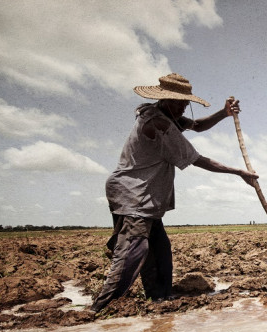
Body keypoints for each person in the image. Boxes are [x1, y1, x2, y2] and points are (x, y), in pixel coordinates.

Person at [91, 73, 258, 313]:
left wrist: (224, 113)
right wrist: (238, 172)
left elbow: (198, 126)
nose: (183, 107)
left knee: (160, 253)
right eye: (178, 102)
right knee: (134, 250)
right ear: (164, 99)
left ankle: (159, 303)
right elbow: (197, 159)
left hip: (145, 198)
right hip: (133, 195)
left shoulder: (168, 116)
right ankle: (100, 309)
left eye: (185, 103)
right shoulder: (159, 123)